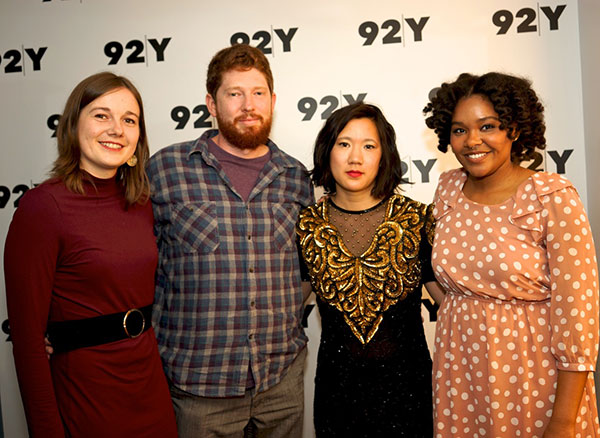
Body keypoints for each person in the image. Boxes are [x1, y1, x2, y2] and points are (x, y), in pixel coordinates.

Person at [147, 44, 314, 438]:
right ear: (211, 102)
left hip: (280, 384)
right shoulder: (167, 169)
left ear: (272, 100)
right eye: (234, 93)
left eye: (258, 93)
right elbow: (130, 261)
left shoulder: (295, 177)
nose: (248, 105)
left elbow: (306, 271)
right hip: (199, 389)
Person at [423, 72, 600, 438]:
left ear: (515, 130)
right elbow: (450, 278)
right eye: (459, 130)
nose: (472, 141)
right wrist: (467, 312)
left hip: (532, 374)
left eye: (488, 126)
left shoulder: (551, 196)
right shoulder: (448, 188)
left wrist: (564, 421)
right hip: (461, 372)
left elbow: (578, 315)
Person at [3, 72, 177, 437]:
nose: (116, 129)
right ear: (72, 125)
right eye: (101, 115)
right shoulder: (43, 208)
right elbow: (29, 342)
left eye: (129, 120)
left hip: (149, 389)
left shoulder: (142, 204)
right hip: (87, 396)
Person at [296, 102, 443, 437]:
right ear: (326, 151)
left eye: (369, 146)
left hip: (410, 395)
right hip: (337, 397)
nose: (355, 158)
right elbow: (284, 309)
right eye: (344, 144)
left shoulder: (418, 220)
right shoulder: (305, 226)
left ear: (384, 155)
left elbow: (452, 306)